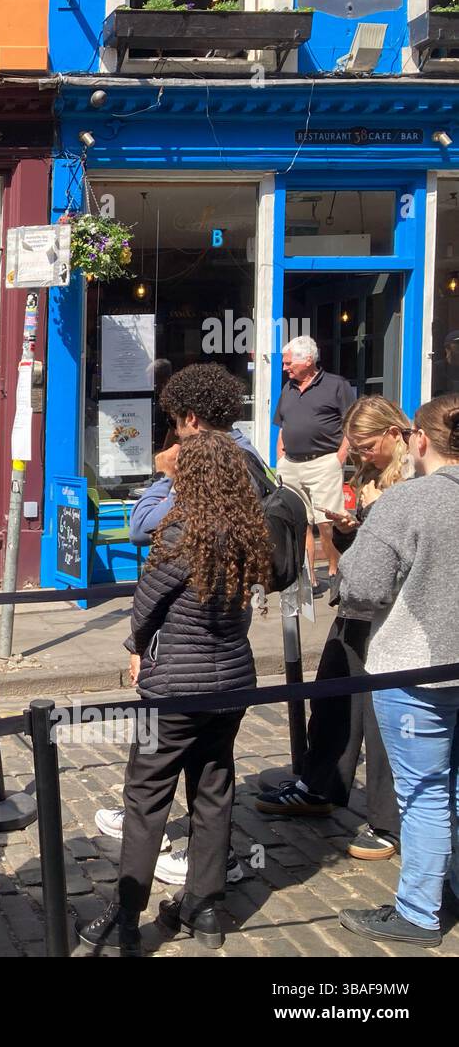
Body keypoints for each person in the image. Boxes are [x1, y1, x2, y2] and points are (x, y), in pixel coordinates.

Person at [80, 431, 271, 956]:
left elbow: (146, 603)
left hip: (176, 688)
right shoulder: (247, 531)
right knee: (213, 790)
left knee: (146, 796)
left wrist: (136, 644)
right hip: (231, 682)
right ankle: (205, 907)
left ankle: (126, 913)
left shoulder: (183, 532)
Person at [256, 395, 406, 860]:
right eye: (354, 446)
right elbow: (367, 542)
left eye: (365, 445)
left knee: (383, 717)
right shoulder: (370, 478)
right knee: (333, 695)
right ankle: (320, 785)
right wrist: (346, 529)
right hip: (357, 601)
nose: (358, 455)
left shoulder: (413, 482)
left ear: (394, 435)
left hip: (393, 614)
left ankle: (388, 821)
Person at [338, 393, 459, 948]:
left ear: (420, 440)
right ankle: (446, 887)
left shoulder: (408, 502)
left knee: (425, 793)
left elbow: (360, 588)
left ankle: (418, 911)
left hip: (417, 669)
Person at [129, 363, 265, 546]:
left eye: (174, 420)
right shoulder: (244, 449)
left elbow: (141, 529)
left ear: (191, 417)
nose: (176, 432)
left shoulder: (213, 462)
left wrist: (164, 475)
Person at [274, 335, 355, 596]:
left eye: (288, 363)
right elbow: (283, 424)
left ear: (307, 360)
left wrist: (339, 458)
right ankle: (308, 579)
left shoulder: (336, 386)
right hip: (291, 465)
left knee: (327, 522)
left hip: (323, 463)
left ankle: (336, 570)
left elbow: (352, 424)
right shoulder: (288, 388)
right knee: (297, 522)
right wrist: (280, 456)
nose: (285, 368)